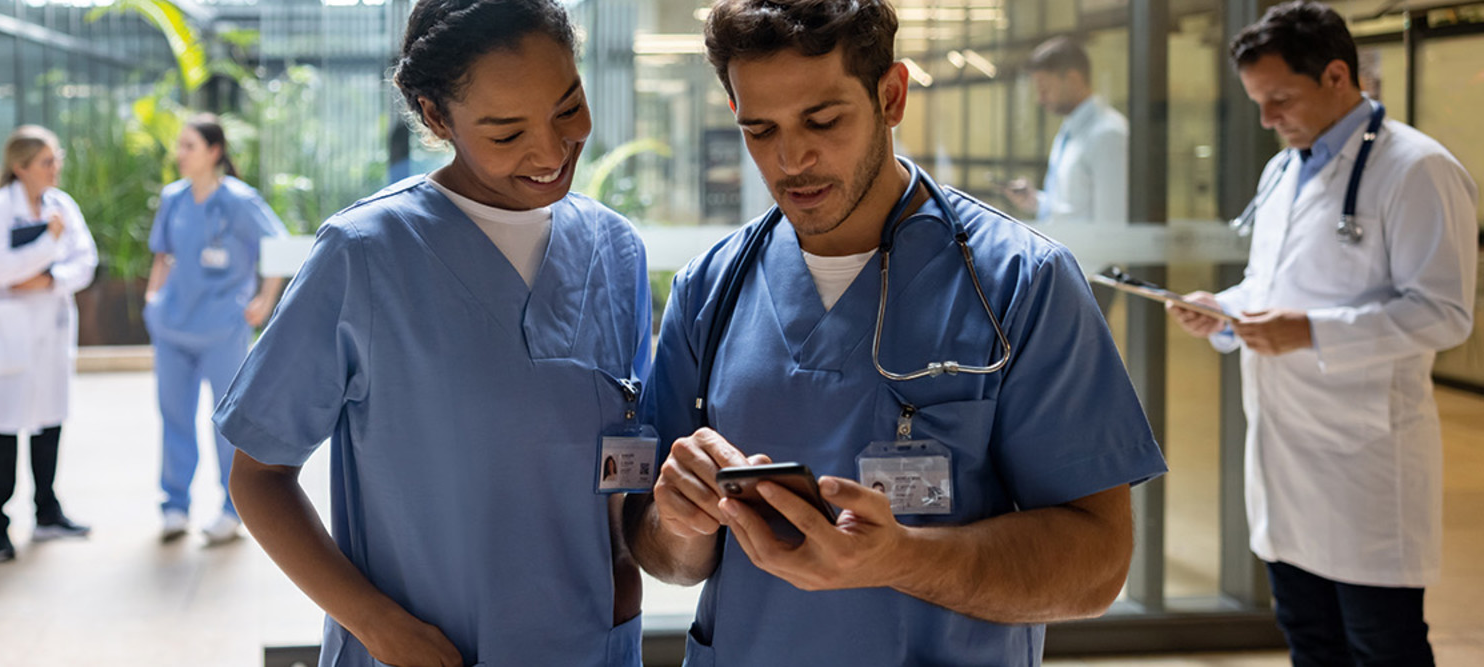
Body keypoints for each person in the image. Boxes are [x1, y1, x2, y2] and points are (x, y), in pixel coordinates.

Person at [621, 1, 1168, 664]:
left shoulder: (1021, 283)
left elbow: (1096, 566)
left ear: (892, 95)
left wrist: (901, 558)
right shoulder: (712, 288)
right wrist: (679, 522)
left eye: (822, 120)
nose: (792, 158)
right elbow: (666, 557)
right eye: (759, 130)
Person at [213, 1, 652, 665]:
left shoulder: (617, 251)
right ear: (435, 115)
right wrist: (375, 623)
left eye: (568, 107)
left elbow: (624, 457)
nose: (551, 149)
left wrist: (622, 567)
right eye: (506, 133)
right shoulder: (364, 255)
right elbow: (259, 475)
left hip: (590, 643)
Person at [1169, 3, 1476, 663]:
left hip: (1366, 460)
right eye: (1257, 101)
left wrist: (1311, 332)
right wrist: (1220, 312)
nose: (1266, 119)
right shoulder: (1284, 167)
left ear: (1338, 75)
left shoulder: (1418, 169)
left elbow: (1444, 312)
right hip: (1285, 454)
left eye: (1279, 98)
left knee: (1382, 644)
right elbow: (1270, 288)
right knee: (1309, 639)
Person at [144, 114, 287, 546]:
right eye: (180, 146)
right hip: (172, 326)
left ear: (214, 152)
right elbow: (162, 254)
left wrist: (265, 298)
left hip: (223, 327)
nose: (180, 154)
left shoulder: (240, 202)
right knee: (173, 416)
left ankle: (231, 508)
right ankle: (174, 505)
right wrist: (153, 302)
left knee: (226, 423)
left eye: (189, 146)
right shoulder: (174, 198)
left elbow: (277, 246)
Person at [0, 124, 99, 562]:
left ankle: (47, 512)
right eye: (47, 161)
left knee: (50, 423)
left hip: (52, 329)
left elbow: (86, 261)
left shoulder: (61, 205)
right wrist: (49, 243)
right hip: (11, 334)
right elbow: (1, 271)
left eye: (56, 158)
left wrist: (47, 278)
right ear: (20, 167)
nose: (56, 168)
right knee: (6, 429)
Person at [1005, 35, 1129, 226]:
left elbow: (1112, 227)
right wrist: (1036, 202)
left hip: (1086, 256)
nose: (1039, 99)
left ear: (1072, 79)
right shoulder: (1070, 131)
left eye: (1044, 89)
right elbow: (1073, 209)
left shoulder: (1109, 135)